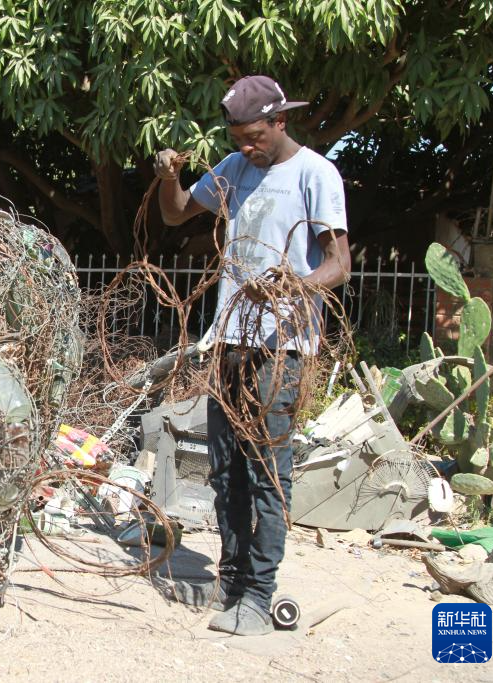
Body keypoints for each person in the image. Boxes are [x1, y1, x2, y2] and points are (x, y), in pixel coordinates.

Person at [154, 75, 351, 636]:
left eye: (255, 136)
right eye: (238, 137)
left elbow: (339, 265)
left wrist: (293, 286)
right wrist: (169, 177)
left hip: (280, 350)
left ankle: (259, 595)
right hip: (229, 341)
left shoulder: (315, 174)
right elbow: (176, 213)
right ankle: (232, 580)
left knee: (266, 472)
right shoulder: (236, 168)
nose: (246, 146)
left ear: (280, 121)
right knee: (224, 469)